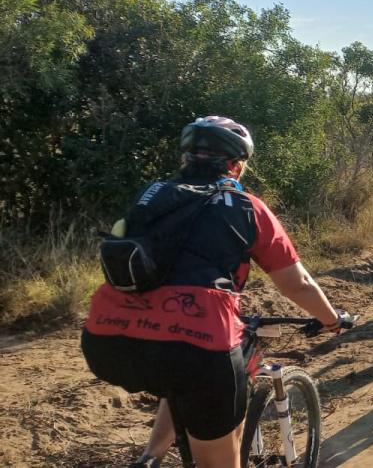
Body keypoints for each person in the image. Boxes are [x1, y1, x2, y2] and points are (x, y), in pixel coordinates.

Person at [80, 116, 347, 468]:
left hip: (105, 342)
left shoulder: (153, 195)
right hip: (199, 344)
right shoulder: (246, 206)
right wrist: (330, 320)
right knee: (215, 445)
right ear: (236, 166)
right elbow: (296, 284)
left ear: (186, 159)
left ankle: (149, 458)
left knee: (177, 376)